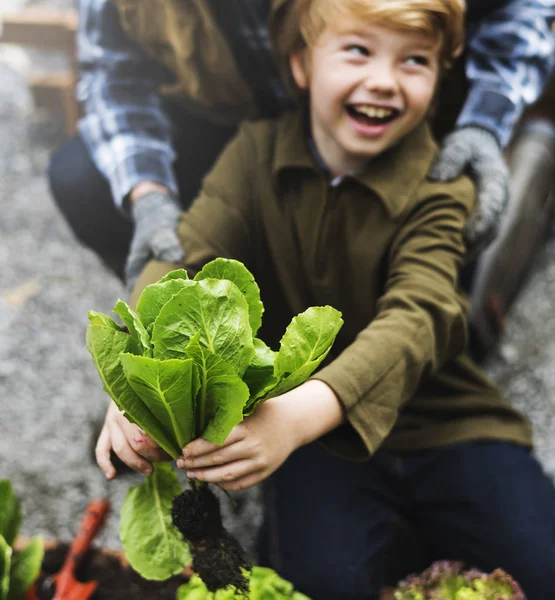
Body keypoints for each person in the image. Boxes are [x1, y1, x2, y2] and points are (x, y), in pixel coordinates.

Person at [95, 1, 555, 598]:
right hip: (318, 448)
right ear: (300, 63)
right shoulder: (251, 154)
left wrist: (292, 417)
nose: (384, 80)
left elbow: (418, 318)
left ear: (443, 78)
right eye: (358, 51)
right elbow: (183, 257)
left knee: (543, 569)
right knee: (316, 583)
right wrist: (137, 375)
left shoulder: (442, 182)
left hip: (443, 418)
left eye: (415, 60)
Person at [48, 0, 555, 289]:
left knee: (428, 319)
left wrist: (485, 123)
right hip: (238, 118)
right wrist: (149, 196)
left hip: (387, 115)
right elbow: (115, 72)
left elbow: (523, 7)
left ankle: (514, 191)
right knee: (83, 179)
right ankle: (219, 338)